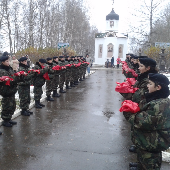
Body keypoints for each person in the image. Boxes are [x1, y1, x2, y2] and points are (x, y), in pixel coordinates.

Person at [128, 73, 170, 170]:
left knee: (150, 160)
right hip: (148, 140)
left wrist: (128, 114)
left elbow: (143, 122)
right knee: (142, 155)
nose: (147, 86)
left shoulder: (159, 105)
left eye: (150, 84)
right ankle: (140, 166)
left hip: (153, 142)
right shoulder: (154, 97)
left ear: (158, 87)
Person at [0, 54, 25, 127]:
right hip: (5, 91)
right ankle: (5, 120)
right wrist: (5, 80)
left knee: (12, 105)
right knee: (6, 106)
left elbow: (13, 77)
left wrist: (19, 76)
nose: (8, 62)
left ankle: (9, 118)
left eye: (8, 61)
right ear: (2, 62)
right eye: (7, 61)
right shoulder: (1, 70)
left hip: (12, 90)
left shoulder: (9, 69)